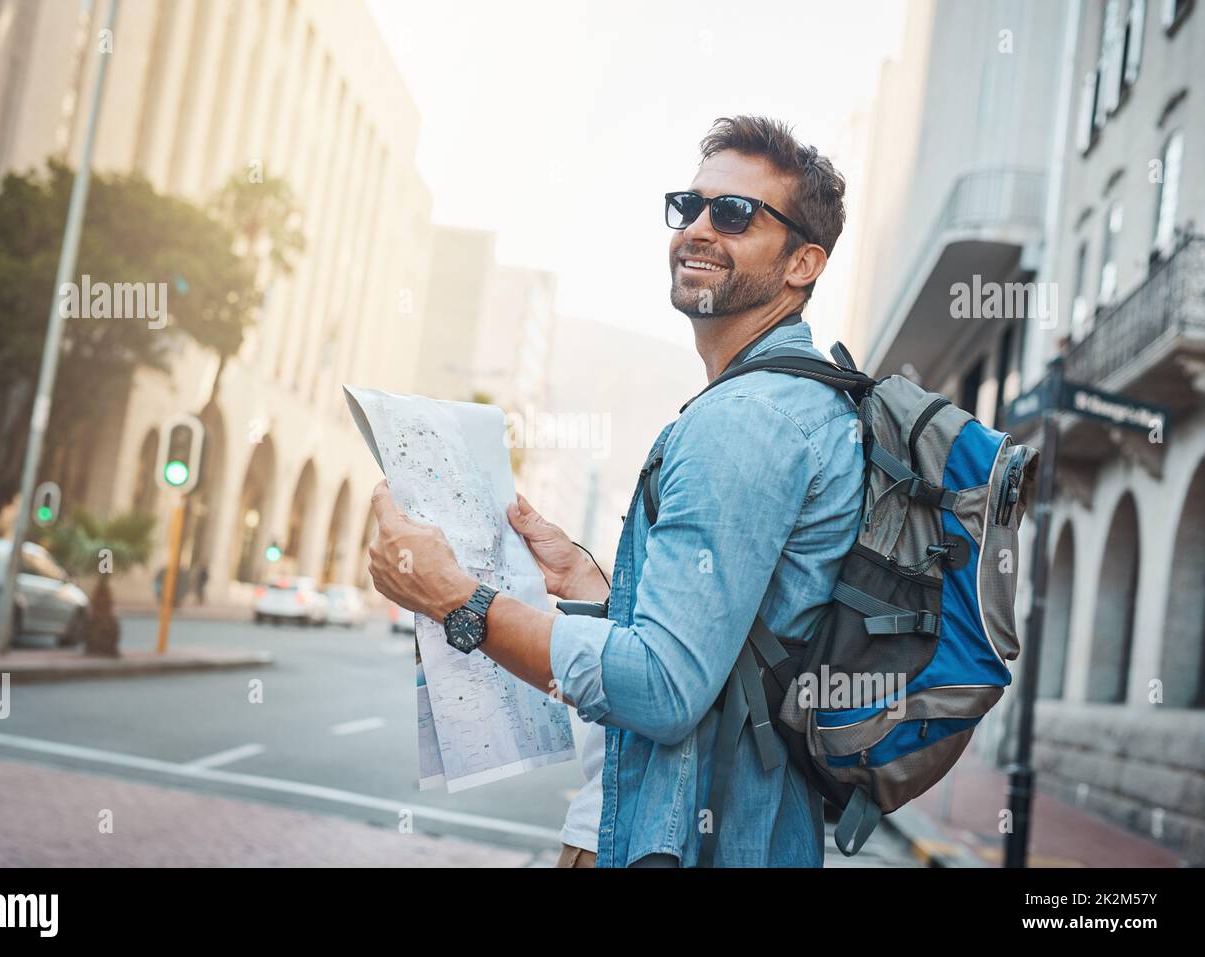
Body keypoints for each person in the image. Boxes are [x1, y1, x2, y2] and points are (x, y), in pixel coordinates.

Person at [368, 115, 863, 867]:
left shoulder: (748, 419)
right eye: (687, 206)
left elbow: (663, 687)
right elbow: (730, 646)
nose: (697, 229)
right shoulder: (776, 405)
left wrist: (455, 599)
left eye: (732, 214)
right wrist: (596, 585)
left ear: (802, 262)